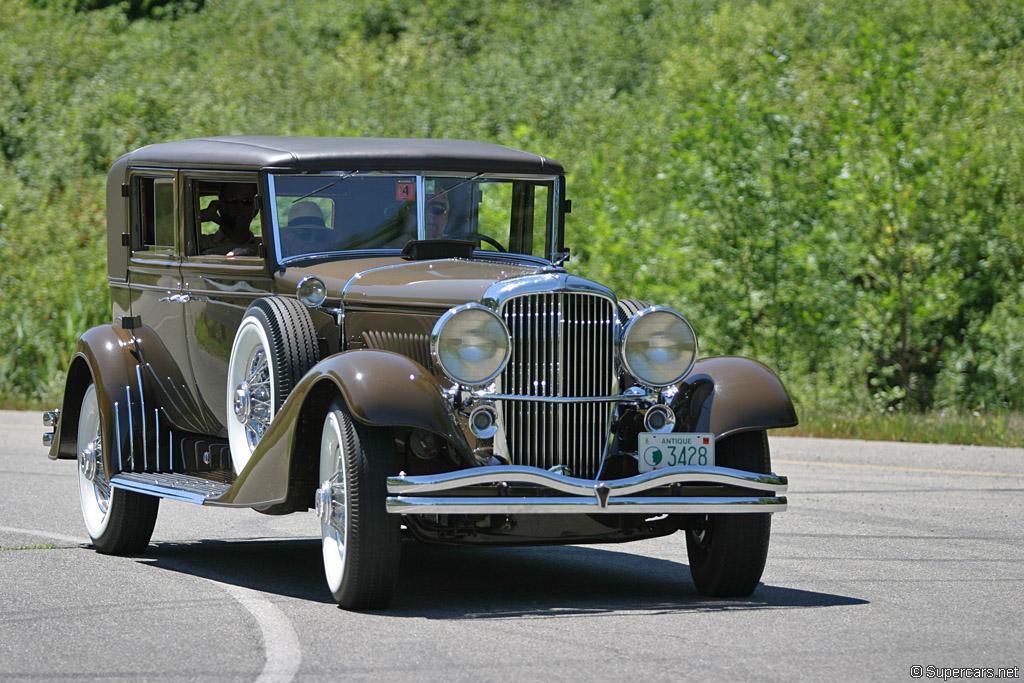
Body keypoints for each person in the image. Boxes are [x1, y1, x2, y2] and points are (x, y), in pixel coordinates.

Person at [199, 183, 261, 256]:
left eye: (247, 201)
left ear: (255, 210)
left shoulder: (265, 246)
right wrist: (201, 216)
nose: (239, 207)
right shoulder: (201, 243)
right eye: (232, 200)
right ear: (221, 205)